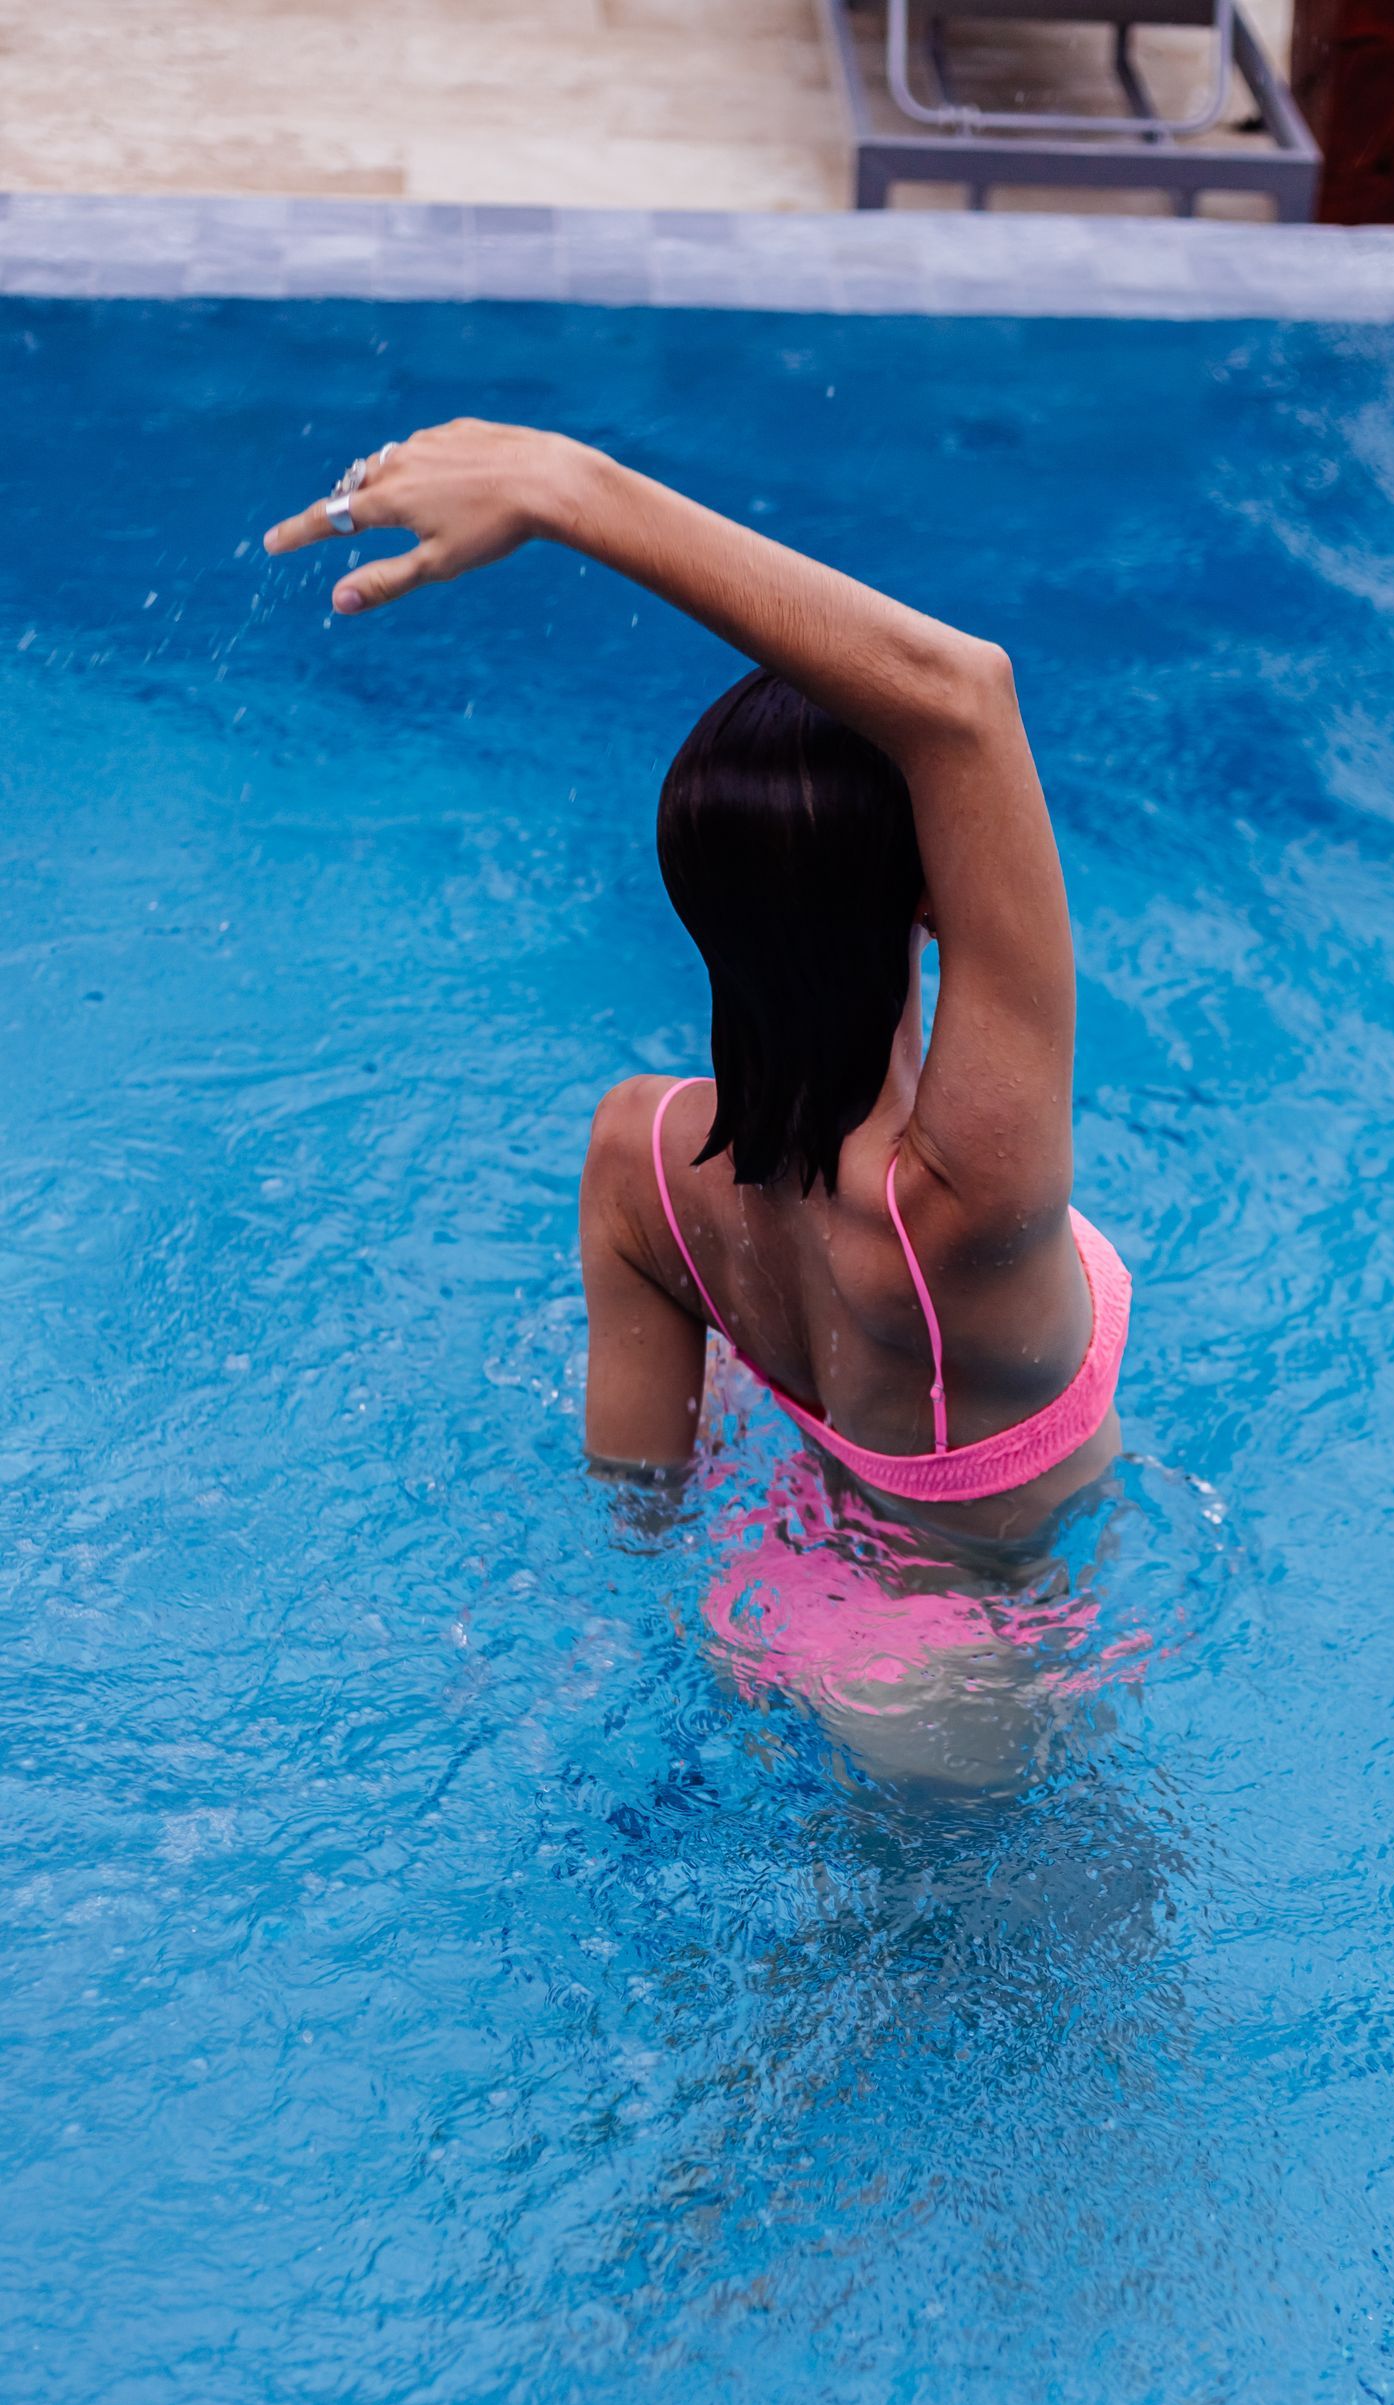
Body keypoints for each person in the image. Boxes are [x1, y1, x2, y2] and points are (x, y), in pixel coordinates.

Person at [265, 420, 1130, 1571]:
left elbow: (638, 1506)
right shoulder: (968, 1201)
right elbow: (963, 700)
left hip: (774, 1612)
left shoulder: (642, 1161)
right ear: (934, 894)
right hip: (981, 1682)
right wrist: (567, 487)